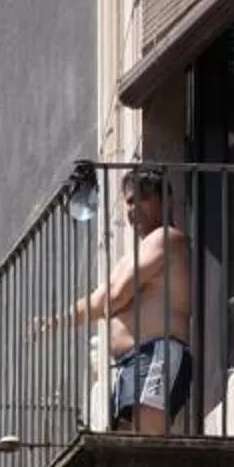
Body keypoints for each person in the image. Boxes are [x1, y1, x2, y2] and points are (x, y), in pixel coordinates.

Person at [49, 164, 194, 434]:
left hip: (157, 354)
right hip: (132, 361)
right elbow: (100, 300)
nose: (134, 208)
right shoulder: (135, 254)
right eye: (129, 201)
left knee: (145, 438)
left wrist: (106, 304)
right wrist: (56, 321)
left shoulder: (167, 238)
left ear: (165, 201)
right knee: (127, 439)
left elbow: (116, 294)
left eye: (143, 198)